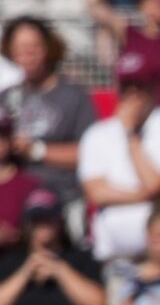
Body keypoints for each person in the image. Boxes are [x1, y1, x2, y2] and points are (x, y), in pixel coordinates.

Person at [80, 48, 160, 264]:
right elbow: (97, 193)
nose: (133, 94)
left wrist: (131, 137)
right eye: (127, 87)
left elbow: (155, 183)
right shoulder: (97, 134)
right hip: (114, 257)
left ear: (155, 86)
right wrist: (147, 196)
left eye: (140, 86)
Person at [0, 18, 93, 217]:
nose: (27, 55)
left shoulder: (73, 97)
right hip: (15, 201)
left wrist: (36, 150)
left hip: (63, 198)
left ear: (48, 48)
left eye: (34, 47)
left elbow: (91, 153)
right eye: (20, 49)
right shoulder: (7, 97)